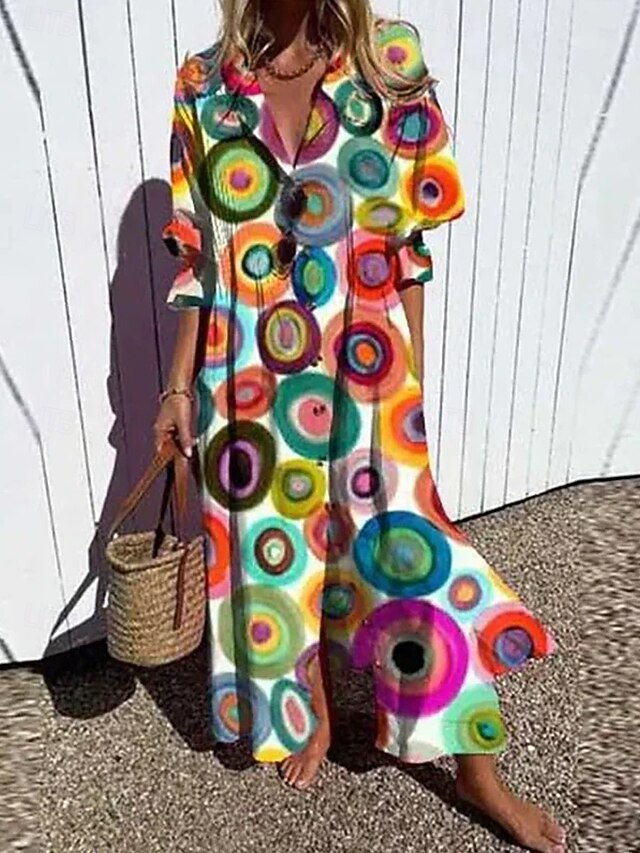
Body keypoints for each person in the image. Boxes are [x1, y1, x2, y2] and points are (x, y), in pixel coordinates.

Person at [153, 1, 566, 851]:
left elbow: (408, 239)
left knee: (411, 553)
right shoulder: (203, 86)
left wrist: (411, 379)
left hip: (365, 356)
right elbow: (199, 254)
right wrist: (177, 387)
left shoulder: (390, 63)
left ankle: (475, 767)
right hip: (246, 368)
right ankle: (314, 706)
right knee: (278, 544)